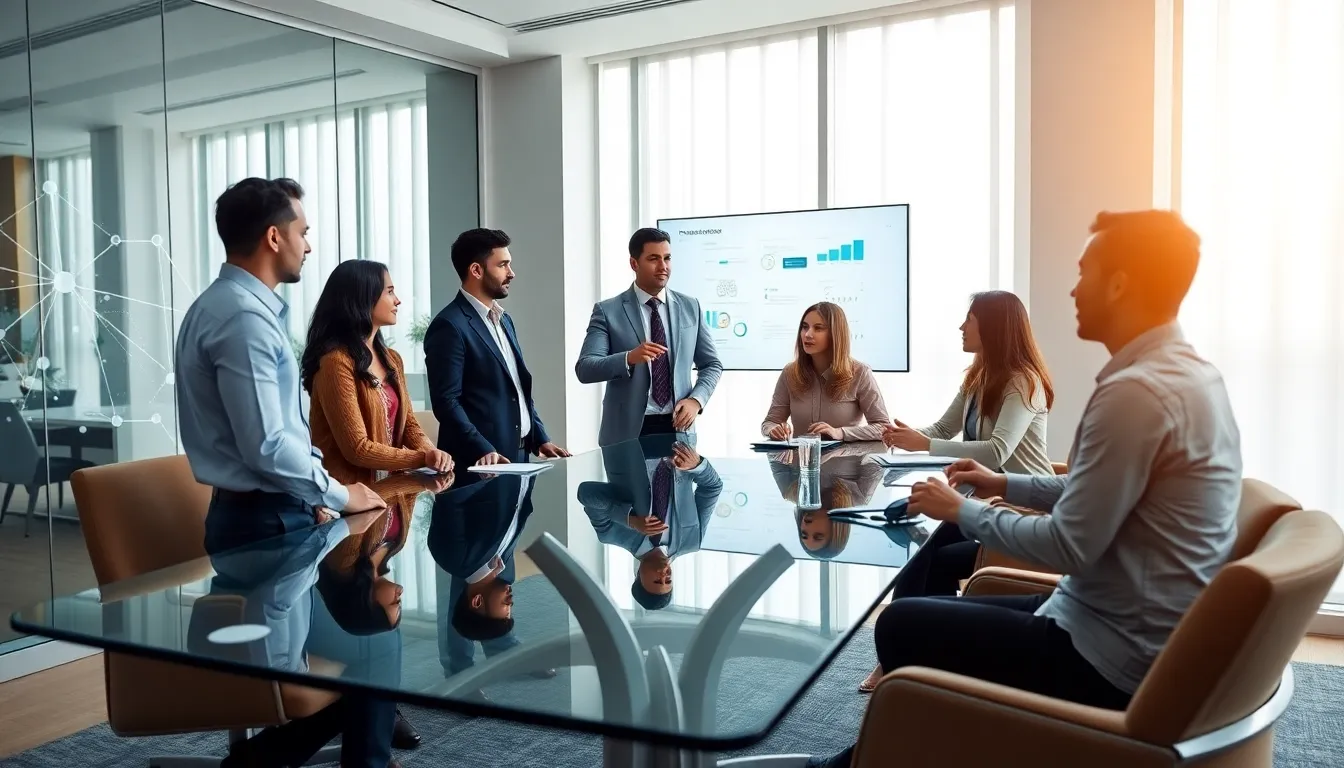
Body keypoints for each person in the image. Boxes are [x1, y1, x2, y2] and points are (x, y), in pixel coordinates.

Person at [808, 210, 1243, 767]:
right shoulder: (1188, 376)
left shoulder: (1136, 394)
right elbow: (1096, 494)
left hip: (1104, 653)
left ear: (1119, 284)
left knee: (901, 626)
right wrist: (1002, 482)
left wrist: (964, 510)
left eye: (1084, 272)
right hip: (1109, 620)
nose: (1072, 289)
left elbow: (1070, 545)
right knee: (928, 609)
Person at [175, 176, 394, 768]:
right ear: (274, 237)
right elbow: (269, 446)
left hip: (273, 515)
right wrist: (338, 493)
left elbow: (277, 440)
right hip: (261, 527)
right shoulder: (241, 320)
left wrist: (318, 496)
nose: (309, 246)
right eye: (303, 231)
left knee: (372, 648)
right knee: (360, 659)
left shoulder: (237, 309)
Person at [856, 289, 1055, 692]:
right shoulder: (979, 376)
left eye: (970, 320)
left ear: (994, 327)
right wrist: (905, 436)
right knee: (923, 554)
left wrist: (924, 445)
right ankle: (909, 656)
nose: (962, 327)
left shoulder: (1024, 381)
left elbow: (997, 451)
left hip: (1023, 511)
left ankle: (907, 656)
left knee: (937, 558)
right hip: (987, 503)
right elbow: (943, 430)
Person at [424, 228, 569, 467]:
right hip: (480, 465)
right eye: (503, 265)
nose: (511, 273)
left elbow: (517, 389)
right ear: (476, 270)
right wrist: (484, 449)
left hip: (518, 458)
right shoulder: (449, 326)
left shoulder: (504, 320)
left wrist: (540, 438)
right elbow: (447, 402)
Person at [575, 227, 723, 445]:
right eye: (654, 259)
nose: (663, 267)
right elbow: (586, 368)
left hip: (678, 430)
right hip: (625, 434)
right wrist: (629, 358)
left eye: (667, 258)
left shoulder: (691, 307)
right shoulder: (608, 311)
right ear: (634, 264)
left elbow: (712, 364)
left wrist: (695, 400)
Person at [578, 439, 722, 610]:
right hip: (675, 435)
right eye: (668, 580)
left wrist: (628, 519)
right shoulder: (691, 542)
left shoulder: (610, 533)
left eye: (656, 580)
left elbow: (586, 493)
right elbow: (712, 488)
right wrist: (698, 465)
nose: (664, 575)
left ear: (638, 575)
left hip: (628, 437)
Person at [761, 302, 891, 443]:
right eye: (805, 327)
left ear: (835, 334)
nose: (807, 334)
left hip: (846, 462)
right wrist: (773, 430)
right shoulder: (790, 373)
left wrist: (839, 432)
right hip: (801, 464)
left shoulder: (860, 373)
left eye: (818, 328)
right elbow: (770, 422)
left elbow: (883, 428)